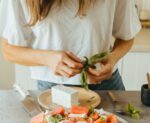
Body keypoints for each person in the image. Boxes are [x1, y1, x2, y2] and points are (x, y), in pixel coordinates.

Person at [0, 0, 141, 91]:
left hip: (106, 85)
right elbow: (8, 50)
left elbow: (126, 36)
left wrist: (113, 58)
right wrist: (48, 59)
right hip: (52, 88)